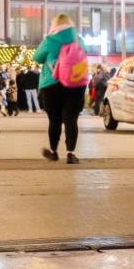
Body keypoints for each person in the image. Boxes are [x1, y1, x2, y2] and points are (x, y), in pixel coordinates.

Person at [33, 14, 86, 165]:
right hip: (75, 84)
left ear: (54, 25)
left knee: (54, 120)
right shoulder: (78, 39)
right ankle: (71, 154)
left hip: (52, 83)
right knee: (71, 119)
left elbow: (37, 57)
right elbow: (85, 52)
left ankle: (54, 152)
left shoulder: (49, 40)